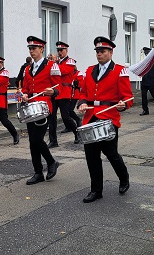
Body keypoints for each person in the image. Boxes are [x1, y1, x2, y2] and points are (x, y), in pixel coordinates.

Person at [77, 36, 133, 203]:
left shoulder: (119, 70)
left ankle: (124, 178)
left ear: (111, 52)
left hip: (109, 117)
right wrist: (82, 103)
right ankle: (96, 190)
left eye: (102, 51)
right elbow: (83, 93)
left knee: (111, 154)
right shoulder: (89, 70)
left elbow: (128, 97)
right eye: (97, 51)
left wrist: (123, 105)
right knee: (91, 155)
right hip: (91, 117)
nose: (99, 54)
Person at [21, 36, 61, 185]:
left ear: (41, 49)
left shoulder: (52, 66)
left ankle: (51, 162)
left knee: (36, 139)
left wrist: (53, 92)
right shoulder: (27, 68)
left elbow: (59, 87)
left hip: (43, 107)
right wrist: (24, 94)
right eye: (30, 49)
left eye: (34, 48)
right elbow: (25, 87)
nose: (32, 51)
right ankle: (38, 172)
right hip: (31, 107)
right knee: (32, 141)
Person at [48, 41, 80, 146]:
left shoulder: (70, 61)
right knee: (52, 117)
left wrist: (53, 63)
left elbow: (63, 71)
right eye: (58, 50)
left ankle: (77, 133)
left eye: (61, 50)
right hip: (55, 91)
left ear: (66, 50)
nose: (59, 52)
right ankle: (53, 140)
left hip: (65, 92)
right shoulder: (56, 63)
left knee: (65, 117)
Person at [62, 65, 84, 133]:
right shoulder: (69, 74)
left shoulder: (78, 73)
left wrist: (76, 83)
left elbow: (82, 83)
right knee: (66, 112)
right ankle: (68, 126)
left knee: (70, 110)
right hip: (68, 94)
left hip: (75, 95)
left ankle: (78, 120)